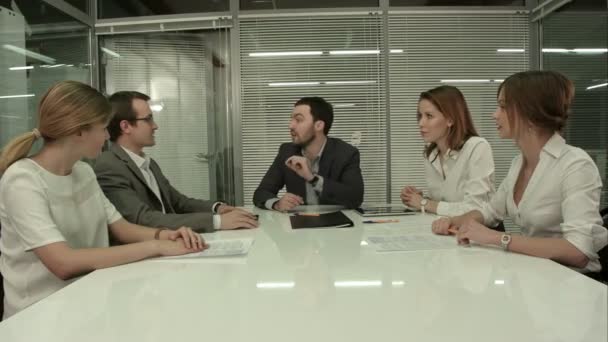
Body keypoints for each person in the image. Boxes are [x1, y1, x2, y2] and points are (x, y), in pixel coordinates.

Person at [0, 81, 206, 319]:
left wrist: (166, 234)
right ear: (78, 131)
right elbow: (63, 263)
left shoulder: (84, 172)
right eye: (103, 128)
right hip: (37, 318)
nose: (108, 136)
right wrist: (156, 246)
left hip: (87, 305)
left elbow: (122, 228)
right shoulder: (23, 180)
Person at [432, 71, 608, 272]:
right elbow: (490, 212)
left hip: (574, 283)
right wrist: (454, 221)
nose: (495, 114)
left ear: (531, 112)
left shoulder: (575, 165)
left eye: (503, 106)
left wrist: (498, 238)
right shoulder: (518, 163)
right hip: (537, 275)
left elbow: (579, 251)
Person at [94, 91, 257, 232]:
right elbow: (143, 219)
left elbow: (178, 202)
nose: (155, 126)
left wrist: (217, 208)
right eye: (148, 119)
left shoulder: (147, 163)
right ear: (126, 126)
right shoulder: (109, 165)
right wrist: (217, 222)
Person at [252, 97, 364, 210]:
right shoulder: (287, 151)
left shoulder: (346, 153)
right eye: (291, 119)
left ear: (319, 125)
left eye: (299, 120)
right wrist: (277, 203)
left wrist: (312, 178)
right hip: (298, 222)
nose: (290, 126)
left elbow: (355, 197)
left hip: (337, 223)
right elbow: (261, 192)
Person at [400, 85, 495, 216]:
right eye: (420, 116)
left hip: (480, 232)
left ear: (450, 119)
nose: (421, 123)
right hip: (449, 229)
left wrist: (423, 203)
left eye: (429, 116)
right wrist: (419, 199)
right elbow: (446, 202)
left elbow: (475, 209)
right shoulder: (431, 153)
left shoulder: (477, 147)